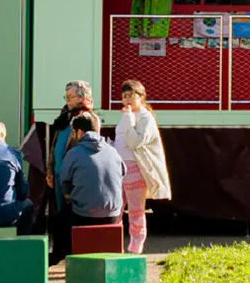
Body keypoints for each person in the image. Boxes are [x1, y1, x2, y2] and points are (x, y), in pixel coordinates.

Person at [54, 111, 125, 262]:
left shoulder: (74, 152)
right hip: (113, 215)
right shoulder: (112, 151)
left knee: (61, 220)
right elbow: (122, 174)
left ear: (79, 132)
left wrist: (68, 196)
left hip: (83, 215)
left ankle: (58, 257)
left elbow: (63, 181)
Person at [113, 80, 172, 254]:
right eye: (124, 96)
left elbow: (135, 142)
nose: (127, 99)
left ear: (141, 96)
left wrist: (128, 120)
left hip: (136, 169)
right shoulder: (126, 115)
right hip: (119, 168)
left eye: (131, 95)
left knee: (135, 210)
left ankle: (135, 247)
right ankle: (114, 245)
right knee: (115, 208)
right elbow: (121, 139)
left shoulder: (145, 118)